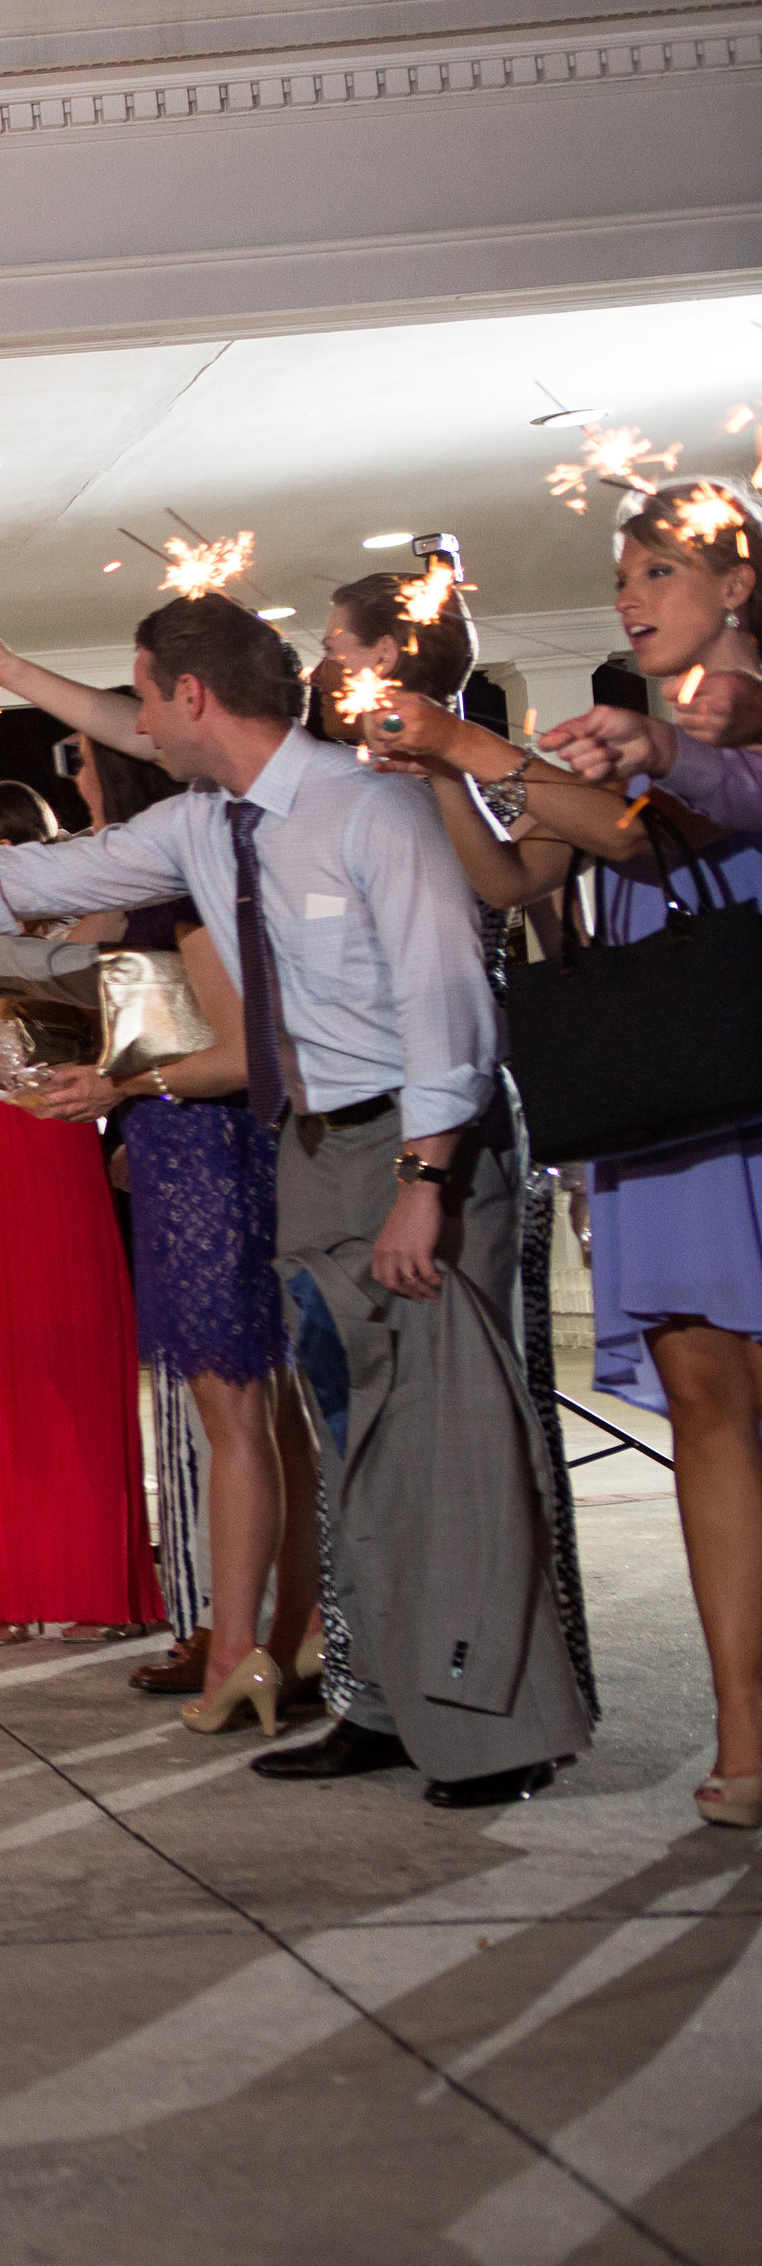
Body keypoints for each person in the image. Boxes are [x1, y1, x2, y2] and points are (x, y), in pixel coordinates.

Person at [0, 593, 593, 1808]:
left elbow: (449, 1011)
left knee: (446, 1442)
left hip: (422, 1146)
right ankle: (383, 1698)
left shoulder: (368, 807)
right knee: (358, 1442)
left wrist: (422, 1181)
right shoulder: (207, 828)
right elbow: (29, 878)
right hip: (313, 1142)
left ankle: (493, 1730)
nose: (134, 720)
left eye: (144, 696)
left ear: (189, 698)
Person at [389, 479, 762, 1827]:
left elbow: (668, 827)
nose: (630, 594)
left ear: (737, 585)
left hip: (747, 1088)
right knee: (709, 1418)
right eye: (624, 575)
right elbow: (515, 881)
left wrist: (488, 754)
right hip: (667, 1111)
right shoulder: (613, 746)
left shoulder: (719, 738)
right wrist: (440, 765)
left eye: (658, 571)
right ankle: (745, 1736)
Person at [0, 781, 161, 1646]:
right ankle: (2, 1583)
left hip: (49, 1144)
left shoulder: (80, 924)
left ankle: (87, 1579)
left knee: (62, 1365)